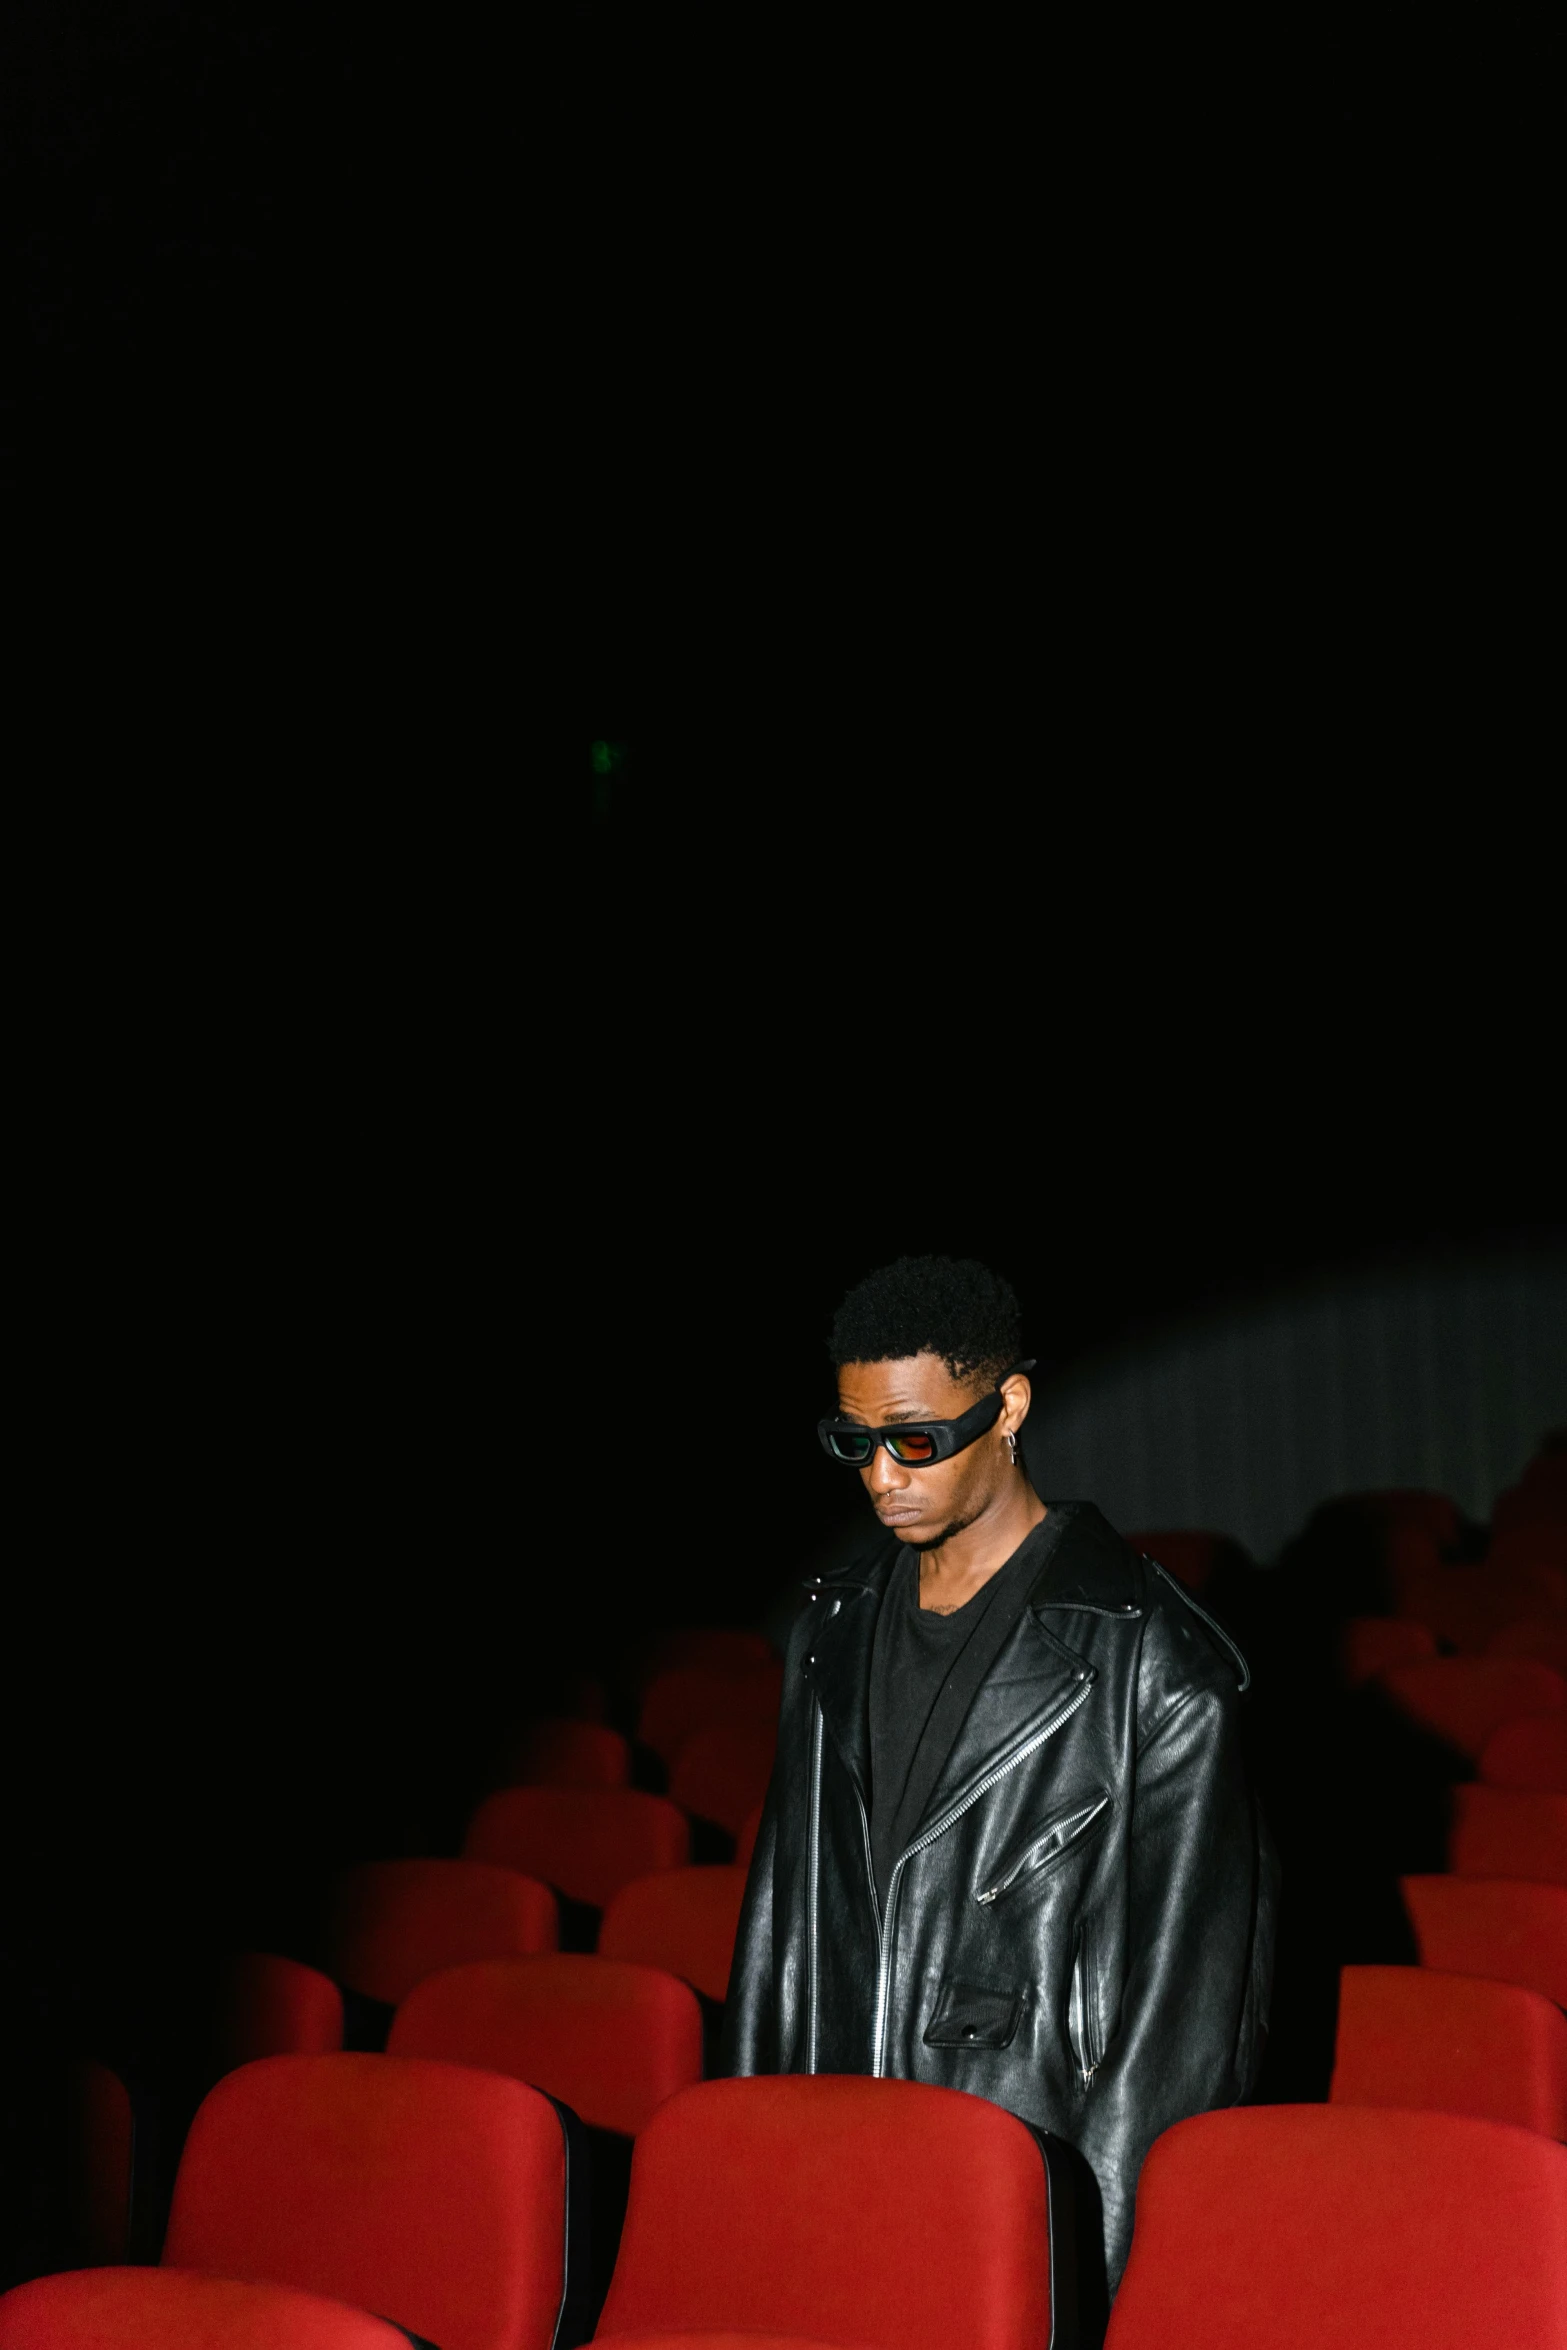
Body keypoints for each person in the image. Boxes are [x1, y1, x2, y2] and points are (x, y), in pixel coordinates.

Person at [723, 1255, 1276, 2300]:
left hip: (1021, 2191)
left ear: (1008, 1403)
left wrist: (1087, 2275)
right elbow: (778, 1941)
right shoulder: (829, 1631)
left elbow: (1184, 2030)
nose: (882, 1476)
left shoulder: (1156, 1662)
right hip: (835, 2173)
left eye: (917, 1439)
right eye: (855, 1442)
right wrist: (749, 2187)